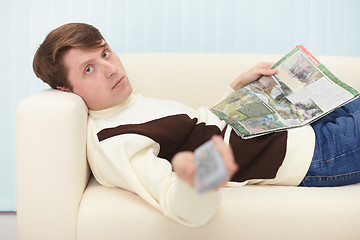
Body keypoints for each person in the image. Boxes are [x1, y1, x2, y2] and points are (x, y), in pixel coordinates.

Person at [33, 23, 360, 226]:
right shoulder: (114, 141)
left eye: (104, 53)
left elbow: (204, 129)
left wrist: (239, 89)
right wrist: (199, 179)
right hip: (312, 155)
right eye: (88, 69)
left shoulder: (126, 106)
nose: (109, 68)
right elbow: (179, 201)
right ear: (66, 90)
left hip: (290, 123)